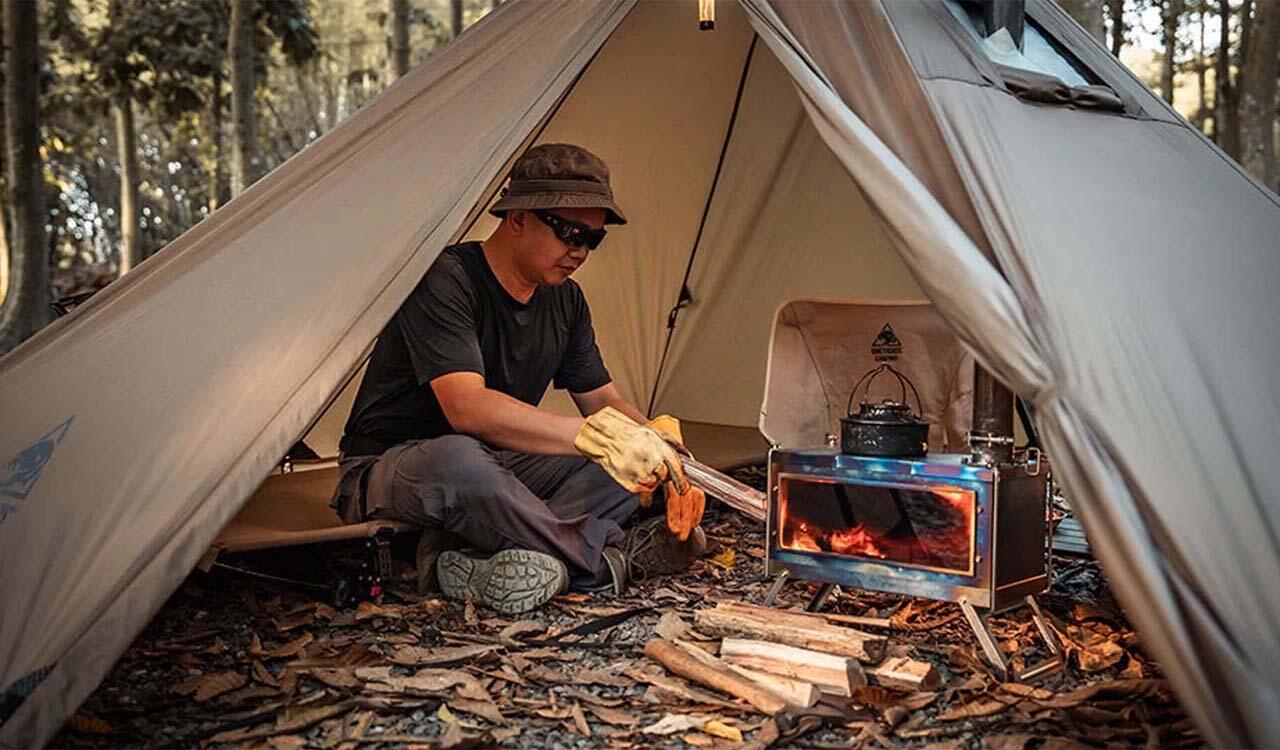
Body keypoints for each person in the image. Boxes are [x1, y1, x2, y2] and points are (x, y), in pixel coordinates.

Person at [331, 143, 706, 614]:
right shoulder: (445, 279)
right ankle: (609, 560)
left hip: (499, 464)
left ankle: (466, 559)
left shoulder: (567, 301)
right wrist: (596, 437)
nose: (580, 251)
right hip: (395, 465)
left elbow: (601, 400)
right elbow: (466, 409)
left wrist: (658, 446)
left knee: (620, 469)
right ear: (518, 218)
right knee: (459, 458)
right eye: (571, 232)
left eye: (594, 239)